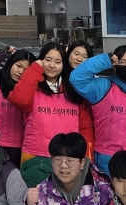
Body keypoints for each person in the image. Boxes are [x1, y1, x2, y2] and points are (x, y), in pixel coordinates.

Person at [8, 41, 94, 188]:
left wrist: (87, 157)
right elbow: (21, 101)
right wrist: (35, 68)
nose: (52, 65)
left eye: (58, 61)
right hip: (35, 156)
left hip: (68, 159)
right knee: (35, 204)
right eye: (47, 60)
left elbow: (86, 128)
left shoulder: (74, 90)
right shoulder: (32, 86)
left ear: (64, 64)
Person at [71, 45, 126, 176]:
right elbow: (77, 78)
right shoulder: (103, 87)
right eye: (122, 62)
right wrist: (105, 60)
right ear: (115, 64)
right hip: (107, 162)